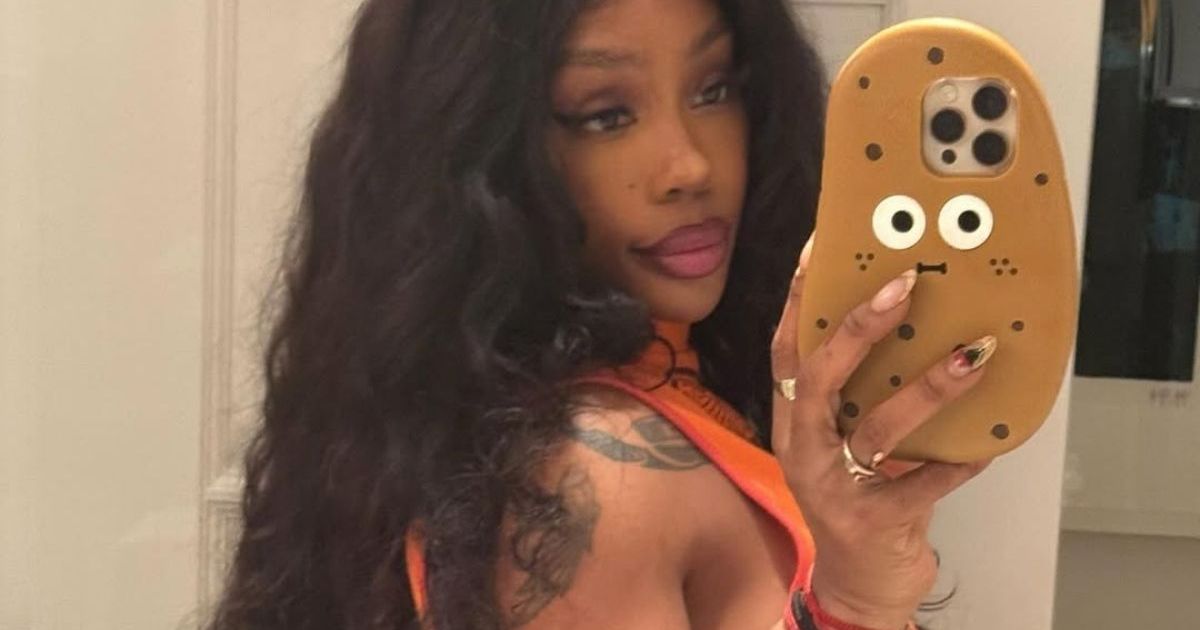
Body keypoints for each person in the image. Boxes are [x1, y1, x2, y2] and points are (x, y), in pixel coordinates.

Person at [208, 0, 994, 628]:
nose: (689, 165)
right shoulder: (598, 478)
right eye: (606, 115)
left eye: (714, 89)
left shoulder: (649, 399)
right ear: (483, 154)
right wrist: (854, 606)